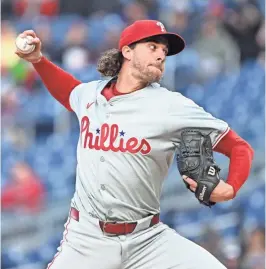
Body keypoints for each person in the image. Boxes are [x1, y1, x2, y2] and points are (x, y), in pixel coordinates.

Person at [15, 20, 254, 269]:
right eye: (153, 46)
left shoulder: (172, 106)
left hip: (148, 239)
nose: (161, 55)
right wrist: (38, 61)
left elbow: (240, 148)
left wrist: (231, 188)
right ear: (127, 51)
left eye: (164, 51)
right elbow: (68, 92)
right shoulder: (90, 95)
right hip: (87, 241)